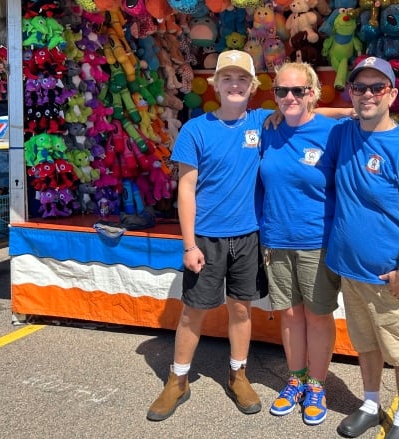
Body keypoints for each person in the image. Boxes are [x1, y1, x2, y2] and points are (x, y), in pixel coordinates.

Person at [146, 50, 274, 421]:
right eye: (228, 78)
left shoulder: (263, 122)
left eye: (242, 79)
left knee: (240, 308)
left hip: (248, 236)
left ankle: (238, 374)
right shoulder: (196, 129)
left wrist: (352, 112)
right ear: (216, 84)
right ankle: (178, 379)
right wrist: (189, 245)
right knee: (193, 312)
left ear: (252, 87)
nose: (235, 85)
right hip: (206, 238)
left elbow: (307, 116)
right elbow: (186, 190)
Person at [325, 57, 399, 439]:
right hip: (351, 271)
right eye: (360, 88)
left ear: (392, 93)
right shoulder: (345, 132)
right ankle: (371, 403)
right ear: (351, 94)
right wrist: (281, 113)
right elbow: (310, 111)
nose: (368, 94)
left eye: (378, 88)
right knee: (366, 344)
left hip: (389, 277)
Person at [259, 61, 343, 426]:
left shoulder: (333, 131)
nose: (289, 97)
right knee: (290, 315)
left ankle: (318, 385)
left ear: (313, 92)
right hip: (275, 239)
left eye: (299, 90)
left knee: (318, 315)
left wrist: (340, 109)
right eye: (282, 90)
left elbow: (356, 114)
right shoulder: (266, 126)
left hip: (317, 240)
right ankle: (296, 378)